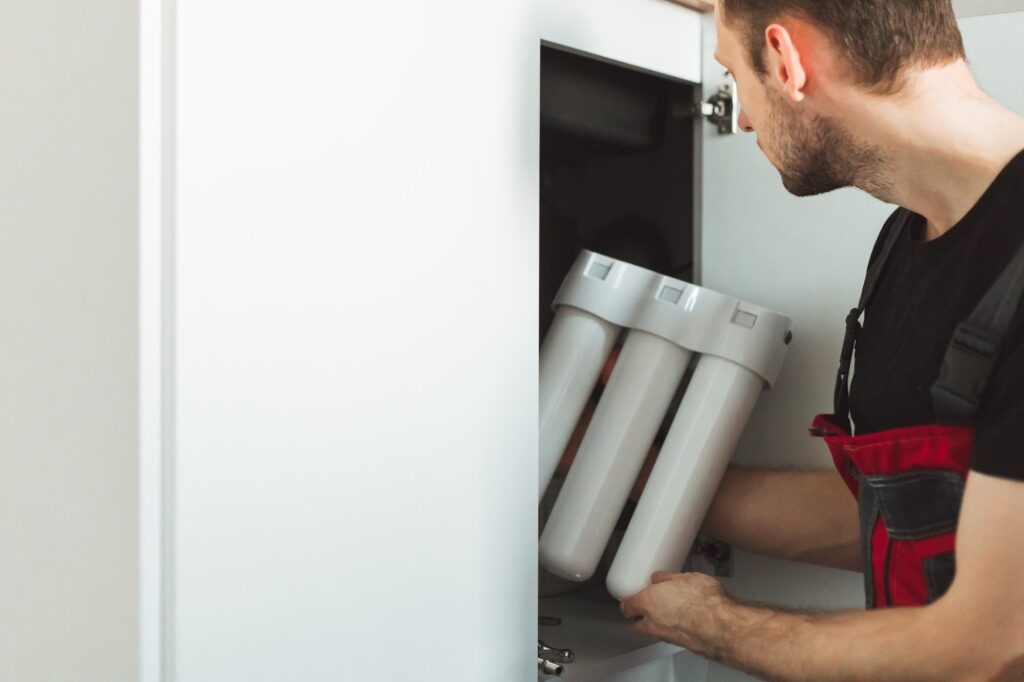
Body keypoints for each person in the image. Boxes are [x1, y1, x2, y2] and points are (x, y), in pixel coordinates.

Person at [618, 1, 1024, 679]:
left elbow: (993, 644)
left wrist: (718, 627)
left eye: (733, 75)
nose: (741, 116)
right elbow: (890, 512)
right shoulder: (906, 239)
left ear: (785, 59)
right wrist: (621, 469)